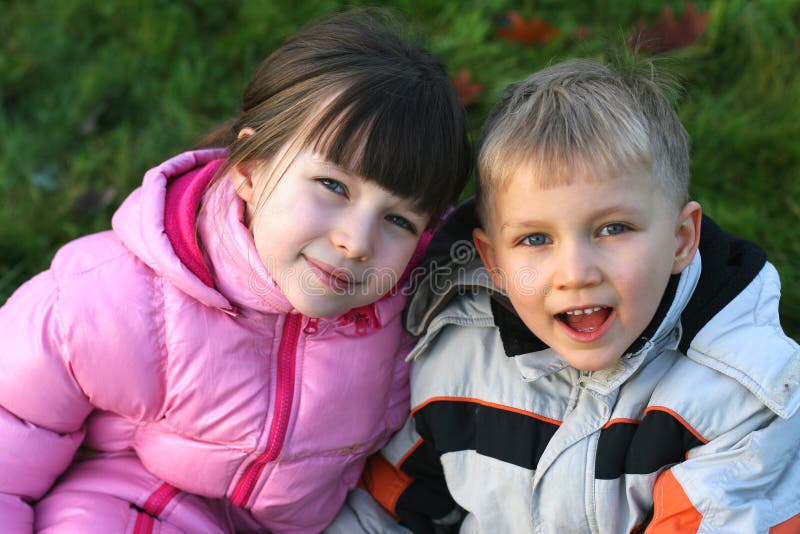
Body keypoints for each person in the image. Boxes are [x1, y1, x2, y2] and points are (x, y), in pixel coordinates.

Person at [0, 9, 470, 533]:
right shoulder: (106, 303)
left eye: (398, 219)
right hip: (130, 510)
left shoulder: (413, 322)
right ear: (250, 169)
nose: (357, 242)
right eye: (333, 187)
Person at [327, 58, 800, 533]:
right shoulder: (457, 361)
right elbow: (385, 508)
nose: (574, 274)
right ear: (494, 263)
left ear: (680, 239)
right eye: (535, 239)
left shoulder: (745, 396)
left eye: (613, 229)